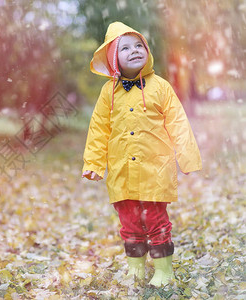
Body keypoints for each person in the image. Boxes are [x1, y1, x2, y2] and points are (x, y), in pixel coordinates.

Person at [81, 21, 202, 287]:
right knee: (130, 222)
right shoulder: (108, 93)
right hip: (122, 170)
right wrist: (94, 163)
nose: (134, 50)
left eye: (139, 45)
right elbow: (99, 129)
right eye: (125, 48)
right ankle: (135, 267)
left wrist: (187, 157)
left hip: (155, 170)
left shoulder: (160, 87)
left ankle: (164, 269)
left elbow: (178, 123)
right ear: (114, 58)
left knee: (156, 221)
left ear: (147, 51)